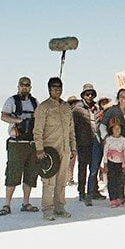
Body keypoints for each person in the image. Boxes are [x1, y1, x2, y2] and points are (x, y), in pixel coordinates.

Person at [33, 77, 77, 221]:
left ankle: (60, 207)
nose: (57, 89)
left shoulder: (66, 107)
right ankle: (47, 209)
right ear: (49, 89)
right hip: (49, 150)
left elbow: (71, 130)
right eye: (54, 87)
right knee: (49, 181)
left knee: (61, 181)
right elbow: (37, 130)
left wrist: (73, 147)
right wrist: (39, 149)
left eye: (59, 87)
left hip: (65, 149)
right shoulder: (43, 107)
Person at [0, 76, 39, 216]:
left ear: (30, 87)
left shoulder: (34, 102)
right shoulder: (12, 101)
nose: (24, 87)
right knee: (12, 173)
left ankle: (26, 202)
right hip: (16, 143)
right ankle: (7, 204)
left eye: (27, 85)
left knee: (30, 173)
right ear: (18, 87)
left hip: (31, 143)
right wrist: (18, 121)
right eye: (22, 85)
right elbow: (3, 116)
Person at [72, 83, 99, 203]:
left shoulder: (96, 108)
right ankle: (82, 192)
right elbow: (72, 128)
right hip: (83, 143)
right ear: (83, 95)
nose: (90, 96)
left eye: (91, 94)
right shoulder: (77, 109)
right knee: (82, 168)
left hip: (96, 142)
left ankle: (94, 191)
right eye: (87, 94)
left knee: (94, 169)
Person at [102, 122, 125, 208]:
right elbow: (105, 151)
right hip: (111, 161)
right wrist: (105, 163)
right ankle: (113, 199)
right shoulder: (109, 139)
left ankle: (119, 198)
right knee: (112, 180)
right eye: (115, 129)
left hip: (120, 162)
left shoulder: (123, 139)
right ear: (111, 130)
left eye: (119, 129)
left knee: (119, 181)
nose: (117, 130)